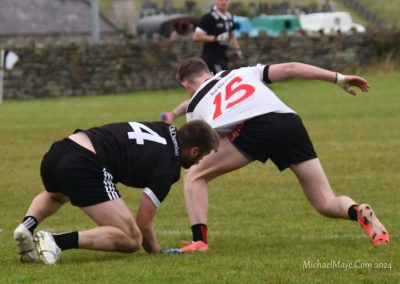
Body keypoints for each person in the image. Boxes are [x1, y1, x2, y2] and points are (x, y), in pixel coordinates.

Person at [164, 57, 389, 253]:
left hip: (255, 129)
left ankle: (199, 241)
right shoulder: (241, 72)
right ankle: (357, 211)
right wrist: (338, 78)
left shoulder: (193, 108)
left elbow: (203, 149)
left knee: (195, 175)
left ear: (186, 85)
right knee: (325, 201)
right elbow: (291, 67)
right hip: (289, 121)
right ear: (211, 73)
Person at [13, 119, 219, 264]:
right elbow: (144, 224)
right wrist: (158, 252)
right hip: (85, 163)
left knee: (55, 196)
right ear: (194, 151)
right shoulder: (169, 167)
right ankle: (55, 241)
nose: (198, 162)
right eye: (201, 157)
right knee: (132, 239)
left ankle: (26, 227)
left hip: (59, 151)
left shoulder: (165, 129)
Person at [160, 0, 242, 124]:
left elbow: (232, 36)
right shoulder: (209, 18)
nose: (223, 2)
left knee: (207, 95)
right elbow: (196, 36)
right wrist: (215, 38)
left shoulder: (230, 17)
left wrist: (238, 50)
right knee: (216, 92)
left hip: (222, 59)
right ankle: (219, 122)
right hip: (211, 60)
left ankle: (171, 115)